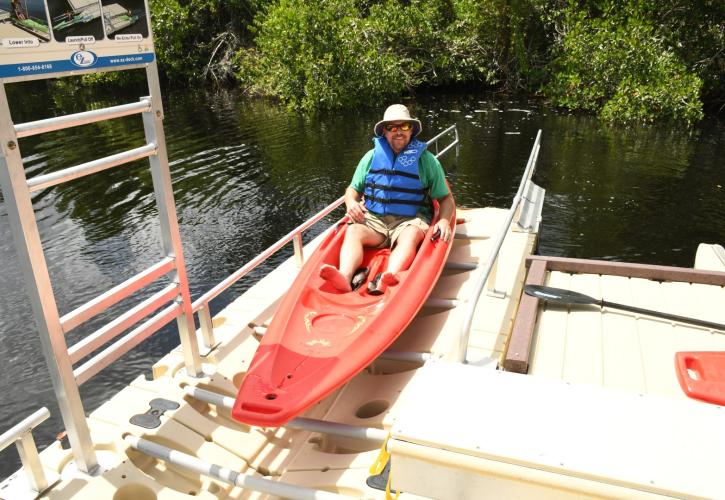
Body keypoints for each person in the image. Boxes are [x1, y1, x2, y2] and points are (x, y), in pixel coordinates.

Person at [320, 104, 454, 293]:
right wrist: (351, 202)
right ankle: (344, 276)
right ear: (384, 131)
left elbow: (446, 198)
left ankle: (387, 277)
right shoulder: (371, 157)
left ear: (411, 129)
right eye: (393, 127)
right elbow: (352, 189)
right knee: (353, 232)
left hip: (409, 221)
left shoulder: (427, 161)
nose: (399, 132)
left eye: (404, 126)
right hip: (375, 222)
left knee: (411, 236)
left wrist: (444, 221)